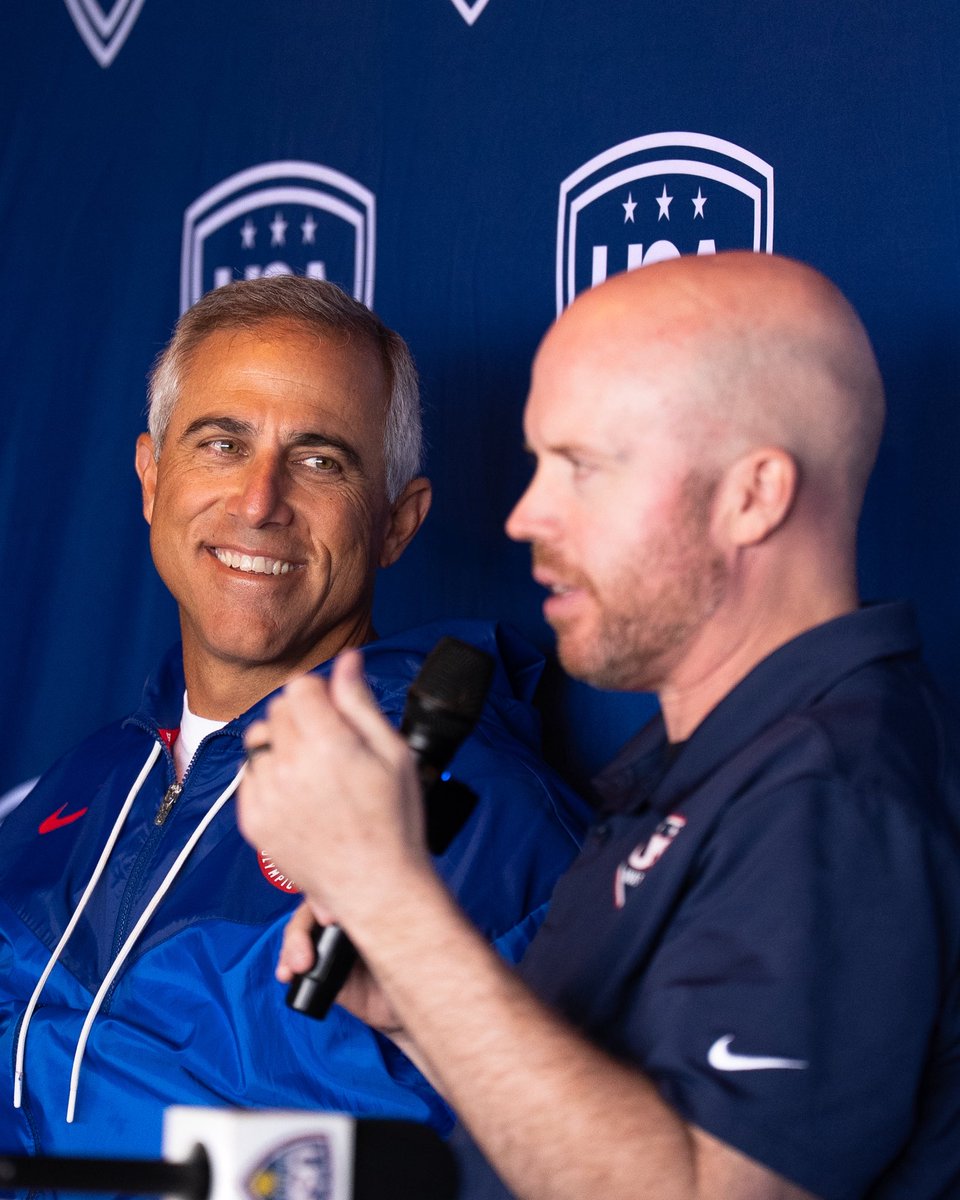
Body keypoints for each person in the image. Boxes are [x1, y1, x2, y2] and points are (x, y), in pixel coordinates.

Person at [238, 252, 960, 1200]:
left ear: (755, 496)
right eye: (540, 463)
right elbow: (596, 1143)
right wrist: (416, 1009)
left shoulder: (834, 795)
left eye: (583, 467)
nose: (527, 514)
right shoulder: (704, 759)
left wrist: (392, 902)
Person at [0, 275, 590, 1166]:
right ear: (152, 478)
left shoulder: (481, 810)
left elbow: (561, 1160)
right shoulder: (84, 780)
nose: (259, 501)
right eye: (221, 443)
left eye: (320, 460)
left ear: (398, 523)